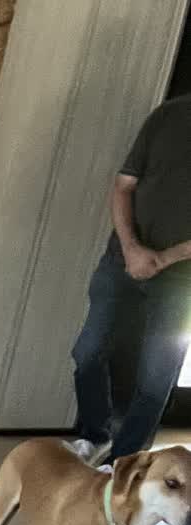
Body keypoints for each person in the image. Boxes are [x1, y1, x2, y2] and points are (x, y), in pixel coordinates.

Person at [66, 94, 191, 467]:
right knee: (87, 352)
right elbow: (123, 186)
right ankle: (94, 433)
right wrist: (132, 249)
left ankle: (123, 462)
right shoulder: (169, 115)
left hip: (182, 280)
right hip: (120, 260)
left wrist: (163, 259)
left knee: (156, 378)